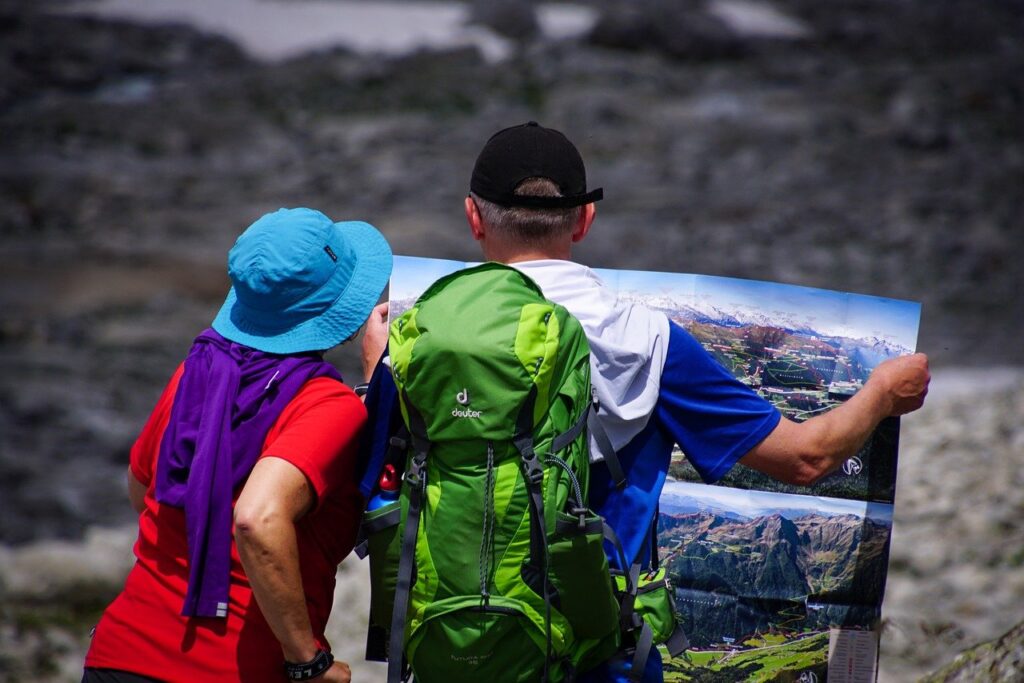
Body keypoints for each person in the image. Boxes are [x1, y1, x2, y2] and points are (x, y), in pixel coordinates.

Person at [360, 122, 930, 682]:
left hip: (454, 652)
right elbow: (807, 458)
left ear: (473, 216)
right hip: (598, 659)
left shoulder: (417, 343)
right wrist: (881, 393)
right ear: (585, 219)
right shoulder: (648, 339)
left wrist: (376, 371)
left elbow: (372, 491)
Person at [83, 207, 393, 683]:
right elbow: (256, 519)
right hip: (232, 669)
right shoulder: (327, 405)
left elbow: (142, 486)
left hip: (118, 655)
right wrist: (306, 661)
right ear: (336, 307)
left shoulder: (197, 372)